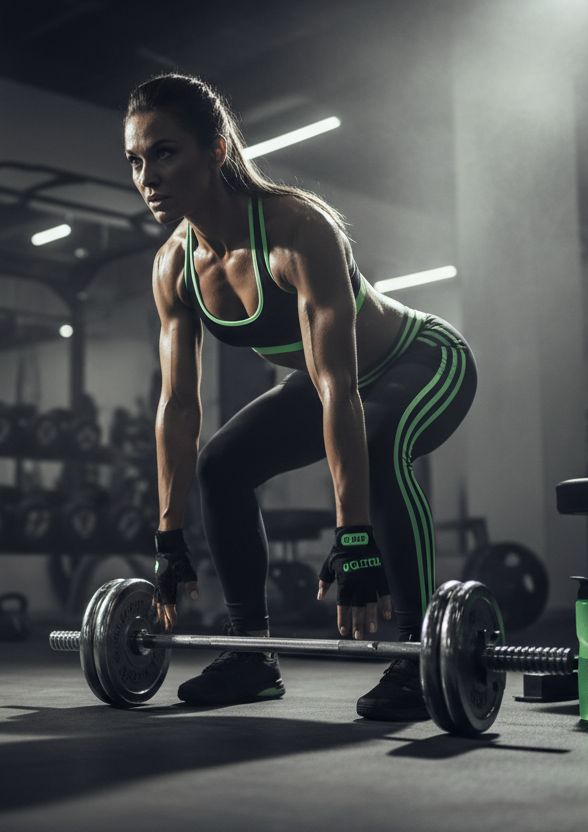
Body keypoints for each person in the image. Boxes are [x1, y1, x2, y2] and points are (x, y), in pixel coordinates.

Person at [126, 73, 477, 721]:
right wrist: (169, 536)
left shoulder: (295, 228)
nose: (148, 176)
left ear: (217, 151)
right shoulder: (172, 267)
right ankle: (250, 654)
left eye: (166, 152)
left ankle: (415, 655)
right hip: (323, 383)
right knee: (222, 464)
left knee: (378, 443)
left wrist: (354, 537)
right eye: (136, 160)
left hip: (420, 361)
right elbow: (177, 407)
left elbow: (340, 388)